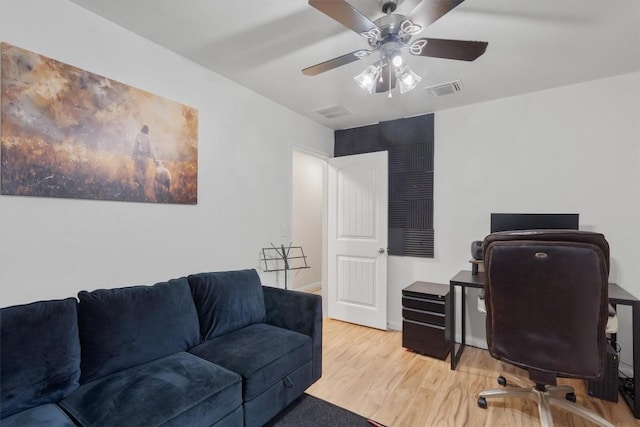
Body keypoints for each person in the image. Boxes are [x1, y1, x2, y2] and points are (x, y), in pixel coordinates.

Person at [132, 125, 155, 195]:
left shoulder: (138, 135)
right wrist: (153, 157)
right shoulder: (148, 138)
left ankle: (138, 184)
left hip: (138, 156)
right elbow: (150, 148)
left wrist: (133, 154)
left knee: (138, 170)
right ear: (147, 130)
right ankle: (142, 186)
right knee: (144, 171)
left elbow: (135, 145)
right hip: (145, 157)